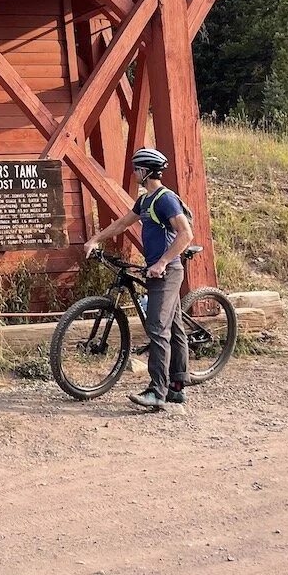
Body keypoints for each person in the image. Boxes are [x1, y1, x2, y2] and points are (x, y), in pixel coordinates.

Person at [84, 148, 194, 411]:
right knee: (174, 326)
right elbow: (122, 223)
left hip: (168, 272)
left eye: (136, 169)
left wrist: (162, 262)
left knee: (157, 328)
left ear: (144, 171)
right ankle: (177, 386)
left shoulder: (166, 199)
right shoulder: (145, 201)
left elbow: (186, 234)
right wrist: (95, 240)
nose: (133, 173)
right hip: (157, 269)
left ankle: (158, 392)